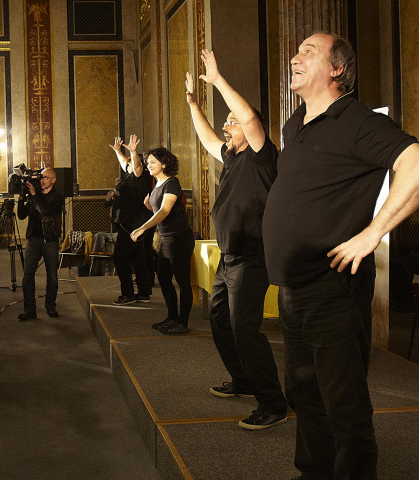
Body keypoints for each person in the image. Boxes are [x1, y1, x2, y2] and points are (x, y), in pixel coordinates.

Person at [262, 33, 419, 480]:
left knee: (344, 403)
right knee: (304, 392)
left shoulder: (357, 120)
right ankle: (314, 472)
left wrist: (371, 234)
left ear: (337, 69)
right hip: (293, 286)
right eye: (296, 51)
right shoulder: (294, 124)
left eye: (309, 52)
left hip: (333, 287)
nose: (295, 57)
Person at [185, 49, 287, 431]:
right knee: (219, 320)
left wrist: (217, 81)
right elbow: (207, 137)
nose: (226, 126)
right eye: (226, 122)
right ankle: (243, 379)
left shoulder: (263, 156)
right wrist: (193, 105)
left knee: (245, 328)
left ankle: (273, 402)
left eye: (232, 122)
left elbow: (248, 118)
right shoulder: (230, 158)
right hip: (227, 257)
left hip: (251, 257)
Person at [131, 148, 194, 334]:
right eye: (147, 162)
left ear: (164, 164)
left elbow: (165, 211)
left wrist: (143, 227)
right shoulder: (158, 184)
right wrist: (149, 202)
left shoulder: (172, 183)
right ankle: (172, 317)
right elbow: (156, 206)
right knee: (164, 278)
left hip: (179, 238)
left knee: (182, 282)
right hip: (166, 238)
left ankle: (182, 322)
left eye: (153, 162)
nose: (148, 165)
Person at [108, 135, 153, 305]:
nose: (128, 164)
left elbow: (136, 166)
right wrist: (118, 151)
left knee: (120, 259)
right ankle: (144, 292)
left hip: (131, 224)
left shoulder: (141, 176)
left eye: (131, 162)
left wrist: (133, 152)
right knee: (138, 258)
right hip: (132, 223)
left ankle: (127, 294)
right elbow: (125, 163)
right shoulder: (130, 175)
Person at [17, 167, 65, 320]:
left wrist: (33, 195)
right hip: (33, 240)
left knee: (52, 276)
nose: (42, 180)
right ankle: (30, 310)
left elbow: (45, 211)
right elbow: (21, 215)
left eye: (45, 177)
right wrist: (21, 198)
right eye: (41, 177)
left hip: (50, 240)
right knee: (27, 276)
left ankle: (50, 307)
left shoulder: (58, 197)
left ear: (53, 180)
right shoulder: (35, 195)